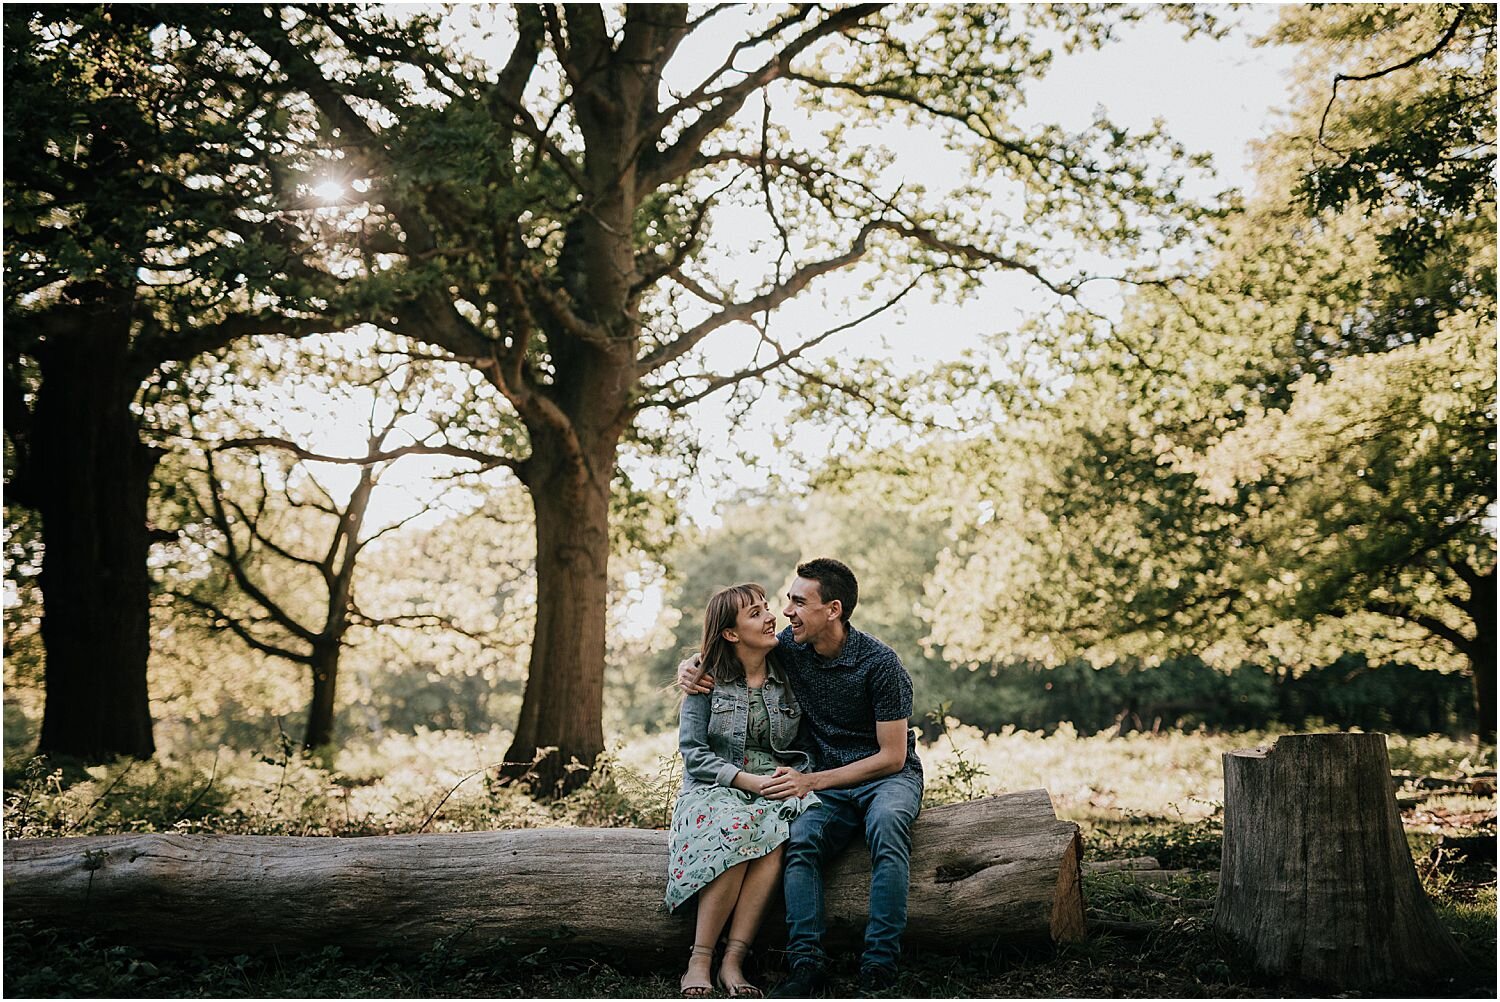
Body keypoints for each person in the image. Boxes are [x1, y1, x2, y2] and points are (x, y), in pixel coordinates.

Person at [679, 558, 923, 999]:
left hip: (883, 777)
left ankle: (879, 966)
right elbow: (730, 648)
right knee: (801, 839)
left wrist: (813, 782)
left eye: (796, 602)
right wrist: (692, 665)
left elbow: (891, 757)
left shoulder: (881, 665)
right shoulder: (791, 648)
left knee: (887, 828)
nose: (784, 612)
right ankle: (806, 963)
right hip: (824, 778)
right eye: (785, 602)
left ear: (832, 609)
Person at [666, 583, 821, 999]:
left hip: (776, 785)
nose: (770, 616)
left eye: (767, 608)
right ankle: (699, 959)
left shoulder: (787, 669)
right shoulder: (706, 678)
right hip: (714, 787)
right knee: (736, 827)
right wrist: (748, 782)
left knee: (774, 839)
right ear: (731, 634)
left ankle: (733, 960)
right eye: (755, 613)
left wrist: (782, 782)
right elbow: (695, 755)